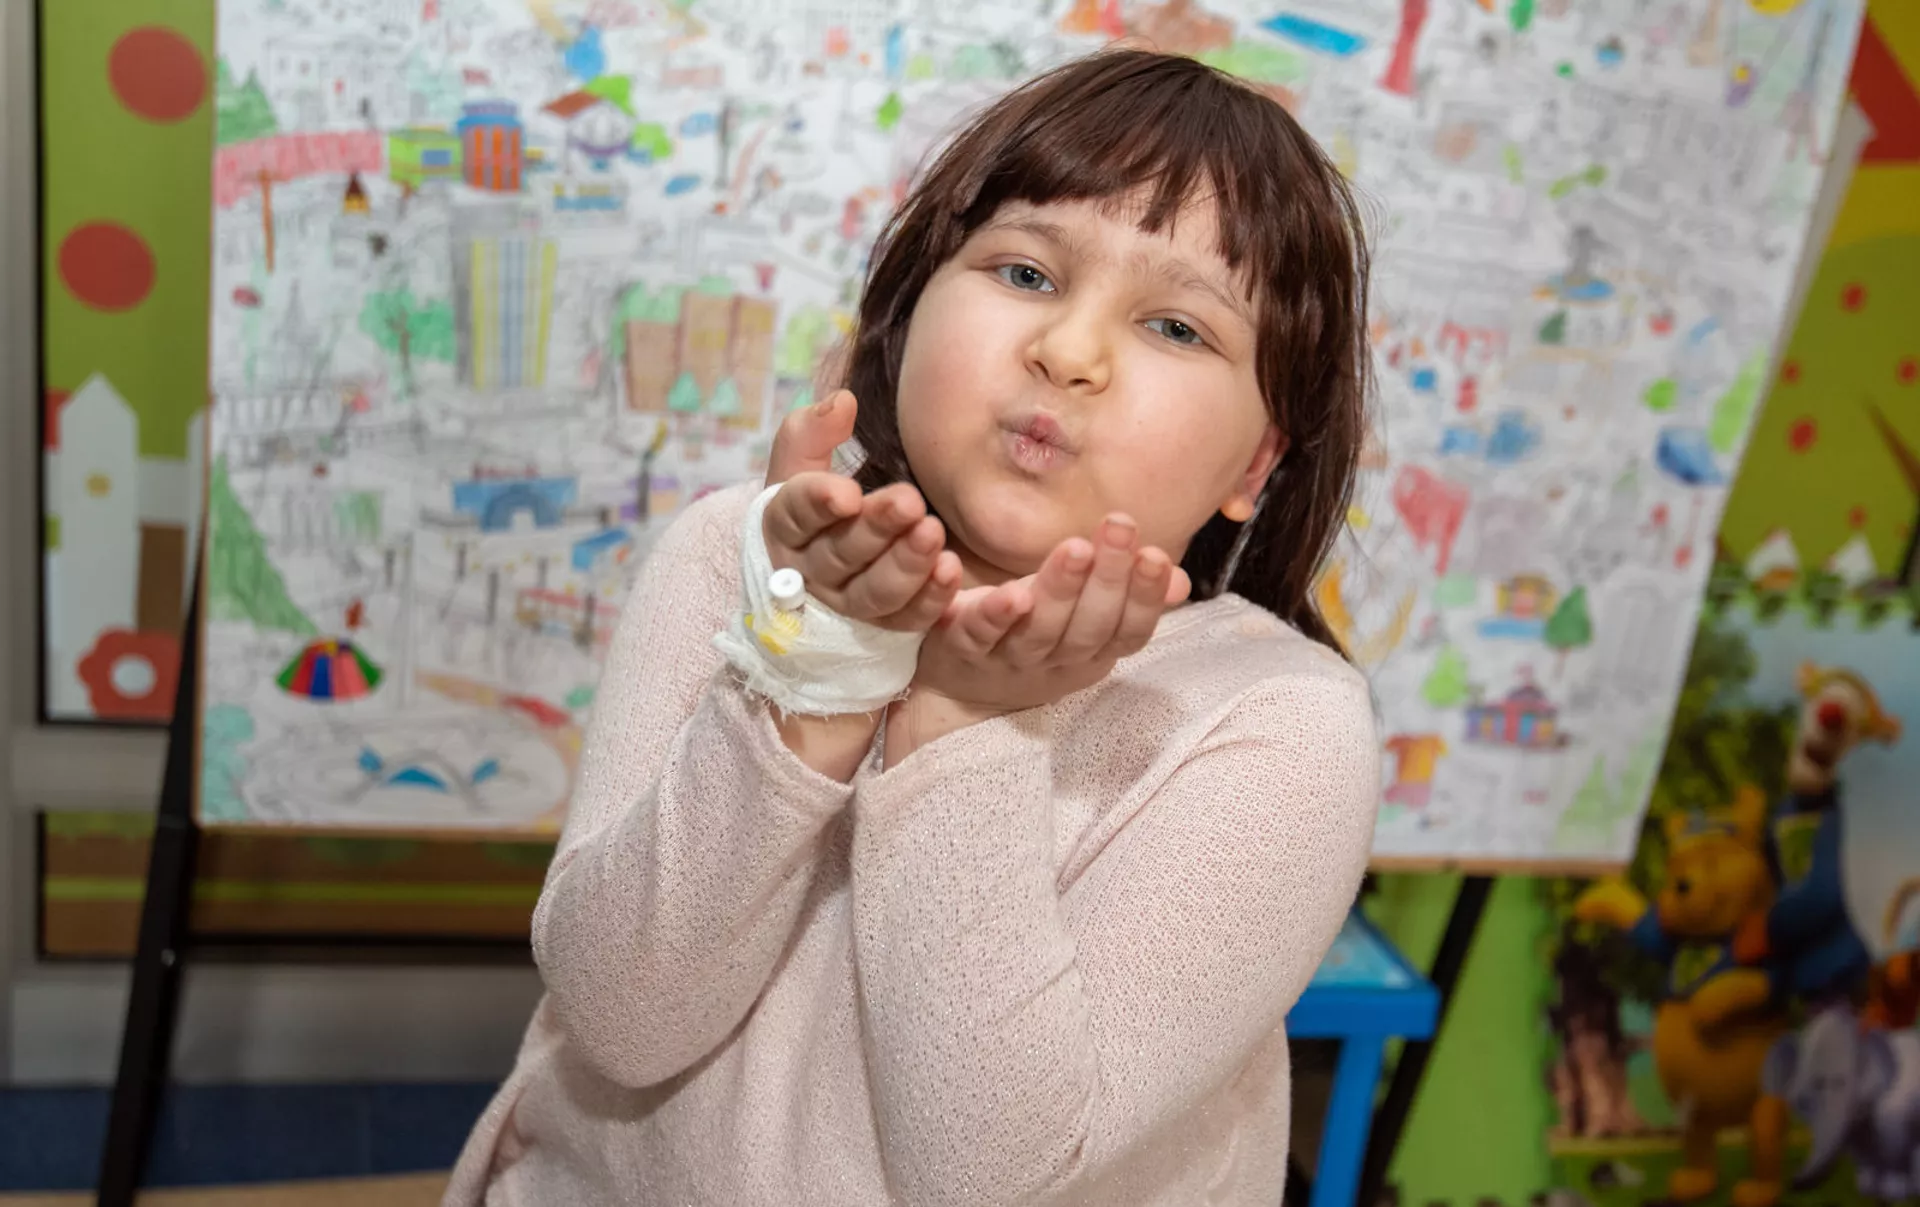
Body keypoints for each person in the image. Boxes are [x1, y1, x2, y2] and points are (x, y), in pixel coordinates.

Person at [444, 47, 1381, 1207]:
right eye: (1026, 272)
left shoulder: (1278, 723)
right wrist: (815, 667)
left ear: (1255, 463)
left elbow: (983, 1174)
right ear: (906, 313)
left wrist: (967, 724)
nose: (1068, 352)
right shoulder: (738, 555)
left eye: (1178, 329)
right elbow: (622, 1017)